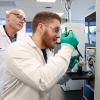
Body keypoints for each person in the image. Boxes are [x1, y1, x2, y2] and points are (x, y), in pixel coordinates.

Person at [0, 11, 78, 100]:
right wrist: (67, 47)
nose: (58, 35)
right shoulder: (17, 49)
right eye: (56, 30)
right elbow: (42, 82)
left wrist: (67, 67)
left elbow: (53, 79)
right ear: (41, 27)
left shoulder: (47, 52)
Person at [0, 8, 26, 91]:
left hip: (15, 90)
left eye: (24, 19)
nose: (22, 21)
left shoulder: (23, 40)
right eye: (19, 17)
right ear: (7, 17)